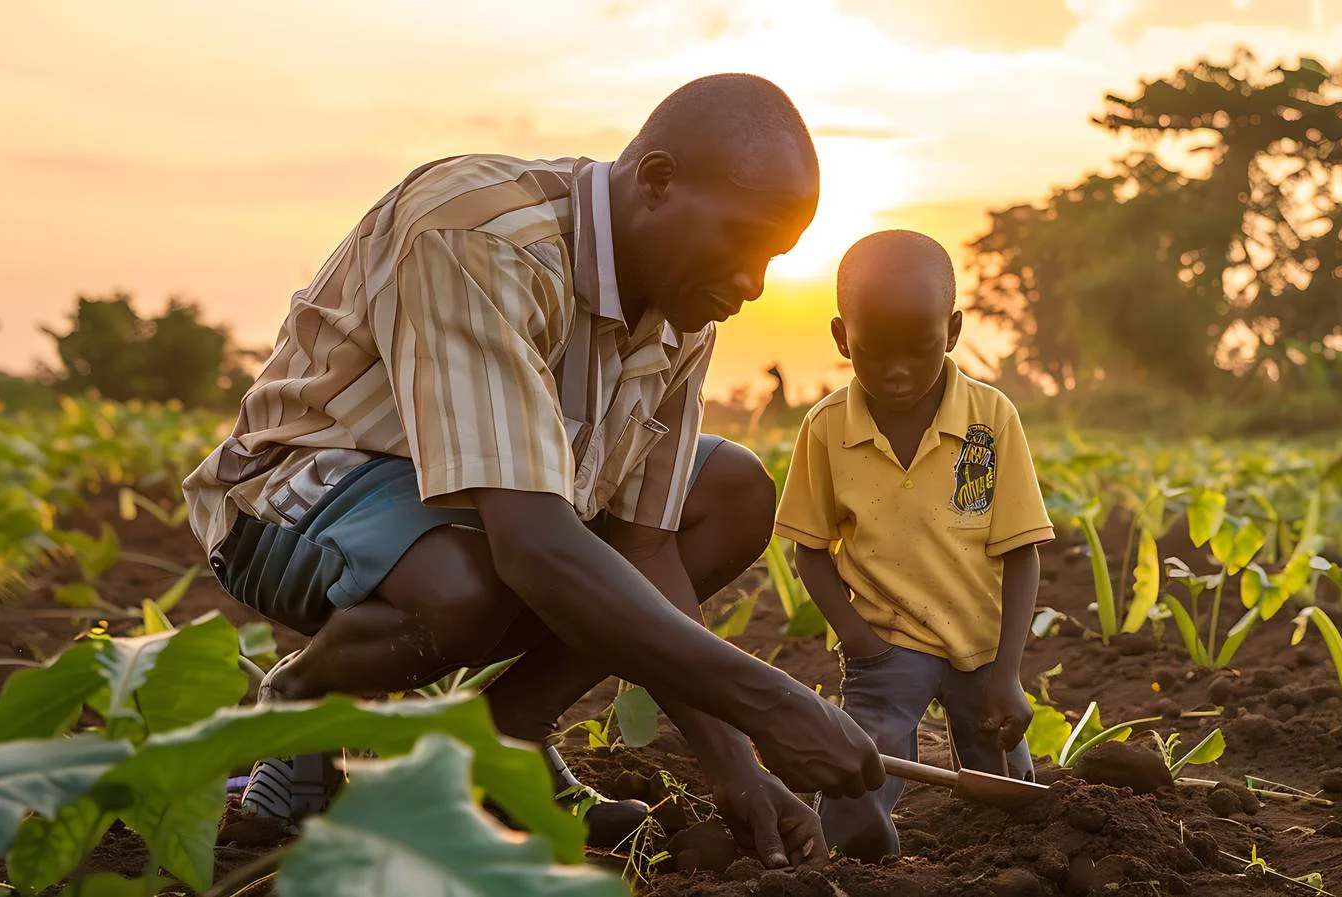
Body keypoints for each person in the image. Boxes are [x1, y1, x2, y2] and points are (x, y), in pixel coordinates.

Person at [182, 73, 883, 868]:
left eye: (774, 258)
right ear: (657, 182)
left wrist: (737, 768)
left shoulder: (681, 308)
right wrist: (771, 701)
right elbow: (535, 546)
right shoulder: (481, 231)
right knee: (465, 584)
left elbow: (646, 551)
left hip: (477, 520)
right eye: (743, 241)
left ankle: (495, 745)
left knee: (729, 493)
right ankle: (302, 708)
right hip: (289, 496)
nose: (754, 283)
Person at [772, 230, 1054, 861]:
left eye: (919, 351)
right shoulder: (825, 430)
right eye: (874, 354)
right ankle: (854, 858)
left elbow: (1021, 550)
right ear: (843, 338)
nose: (897, 373)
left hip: (981, 646)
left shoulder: (990, 420)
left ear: (951, 331)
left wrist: (1008, 671)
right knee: (866, 759)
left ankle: (1010, 860)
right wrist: (859, 640)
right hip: (885, 642)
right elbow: (810, 552)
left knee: (1002, 774)